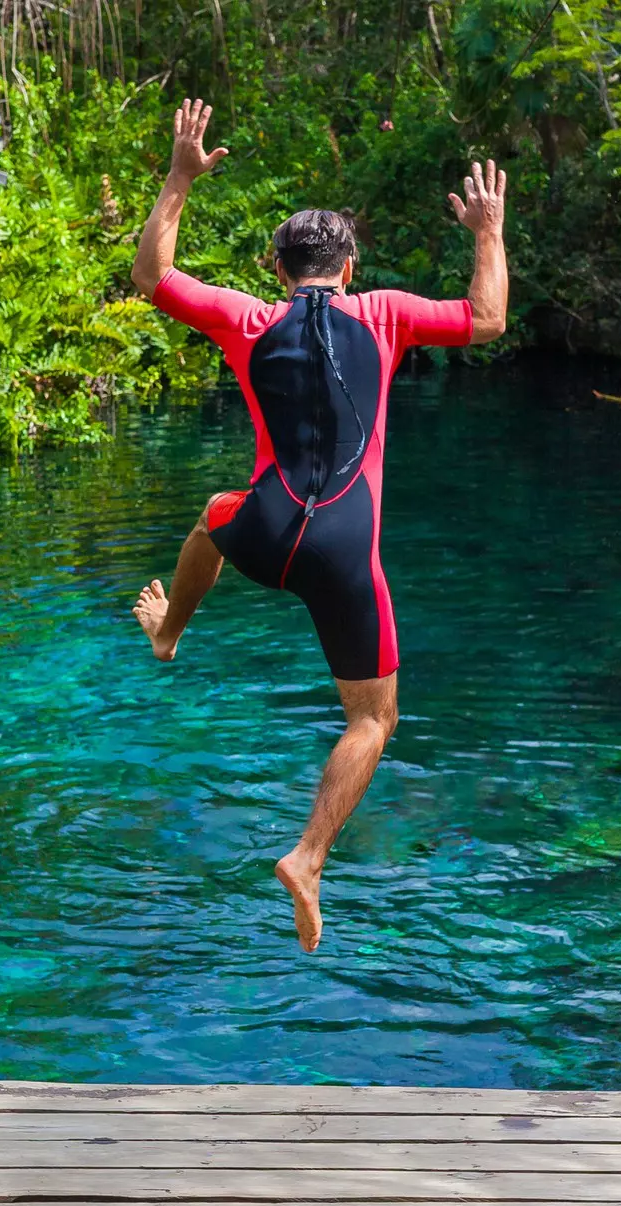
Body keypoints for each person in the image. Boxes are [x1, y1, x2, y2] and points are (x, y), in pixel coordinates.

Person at [128, 98, 509, 953]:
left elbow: (151, 278)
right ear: (351, 266)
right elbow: (487, 319)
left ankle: (169, 635)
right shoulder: (384, 315)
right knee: (373, 720)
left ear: (277, 265)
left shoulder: (248, 319)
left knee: (211, 518)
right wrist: (487, 230)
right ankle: (307, 856)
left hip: (262, 532)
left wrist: (180, 180)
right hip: (343, 552)